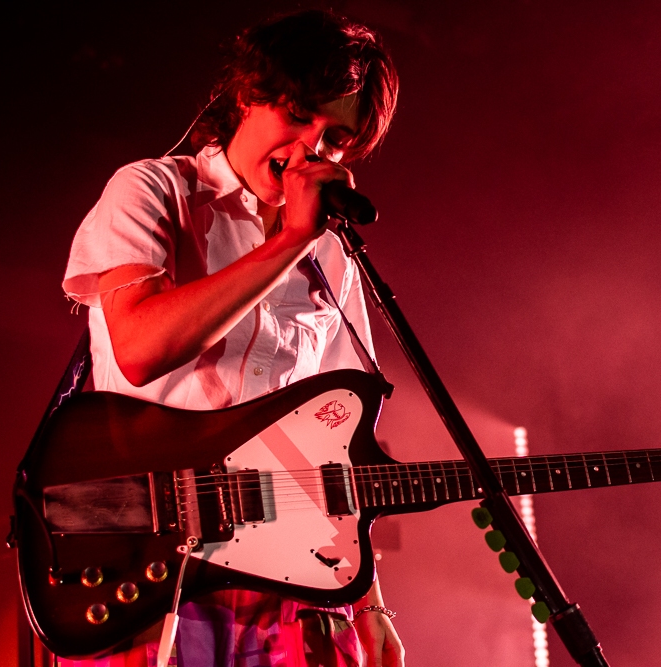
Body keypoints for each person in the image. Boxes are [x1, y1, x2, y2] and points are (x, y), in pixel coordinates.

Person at [60, 10, 403, 667]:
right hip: (156, 565)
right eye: (300, 115)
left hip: (295, 577)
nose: (312, 149)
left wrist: (370, 600)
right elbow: (138, 345)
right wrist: (286, 244)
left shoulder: (331, 256)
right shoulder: (155, 190)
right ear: (249, 93)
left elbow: (338, 446)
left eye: (335, 139)